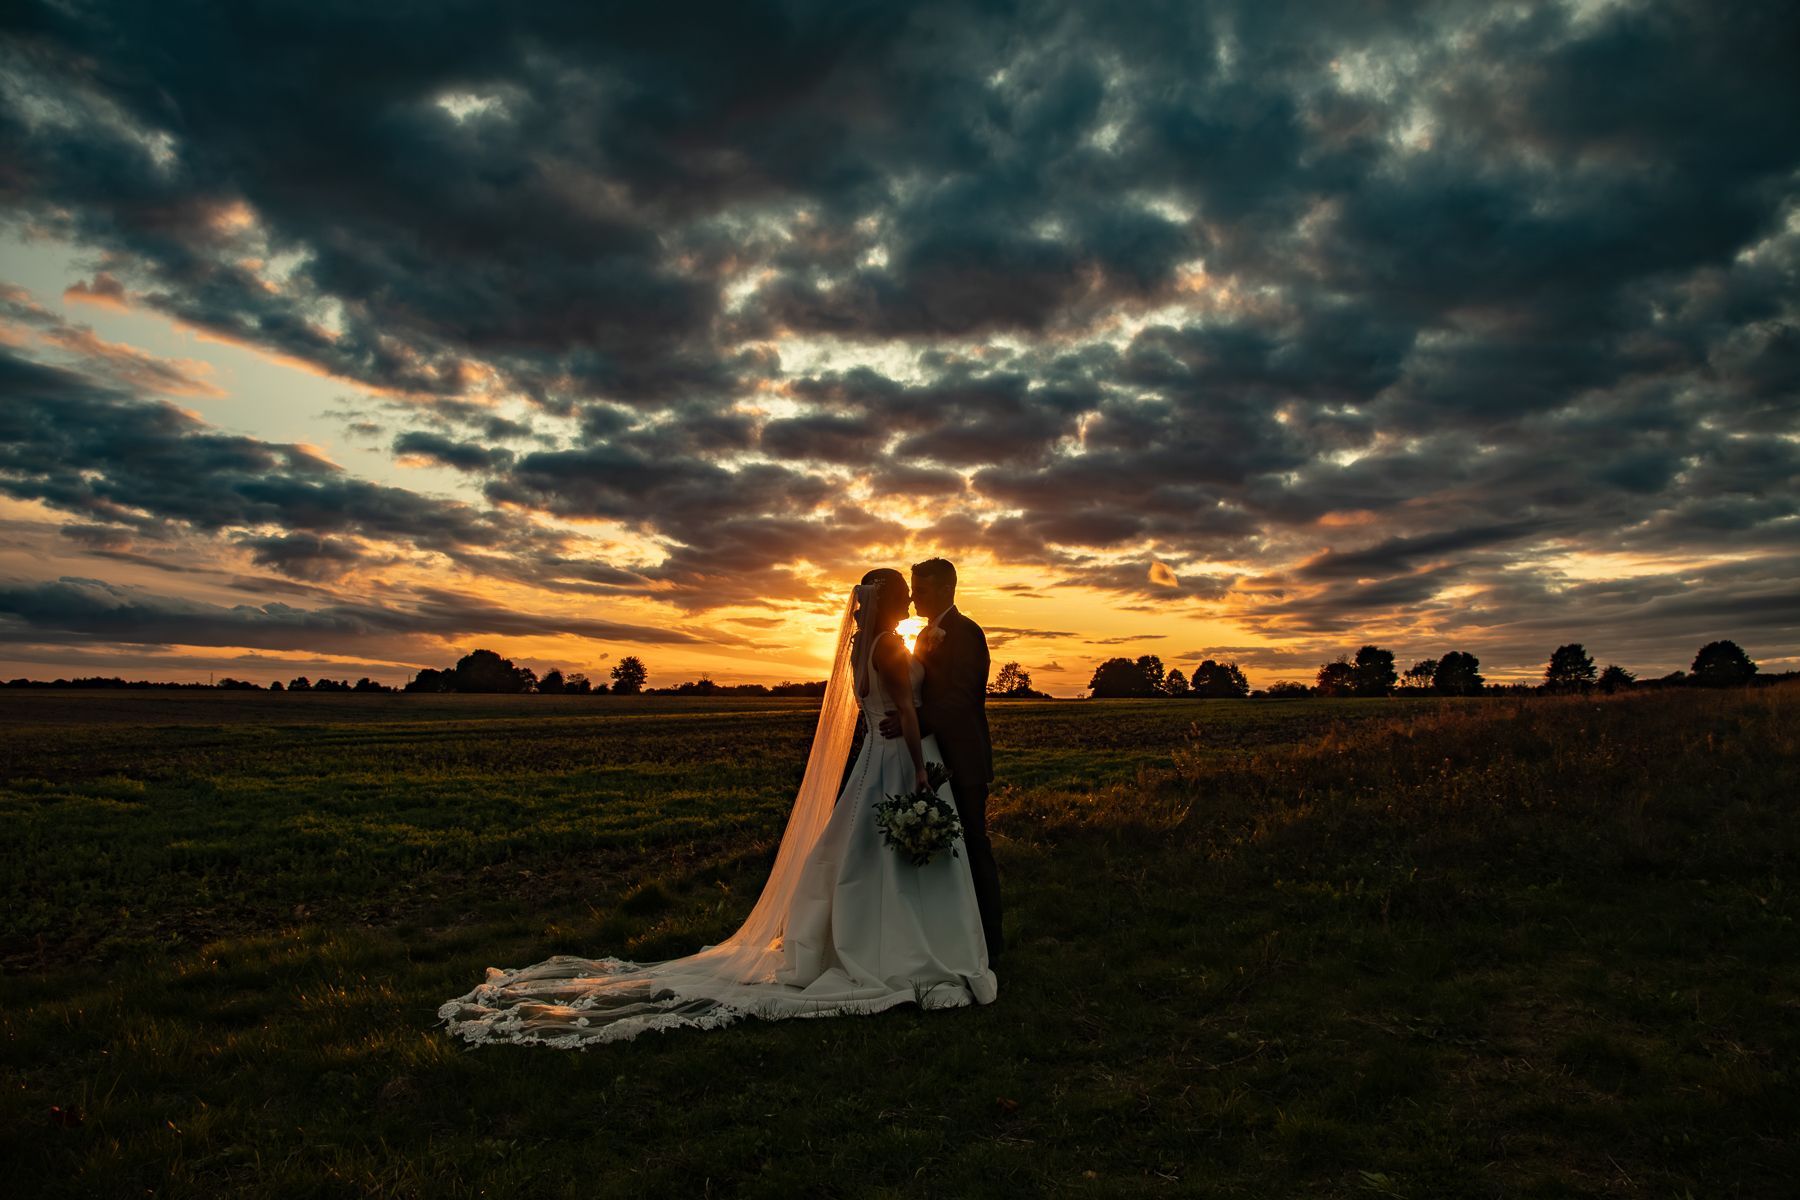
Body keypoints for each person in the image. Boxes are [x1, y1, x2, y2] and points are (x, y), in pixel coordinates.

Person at [437, 567, 996, 1048]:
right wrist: (922, 770)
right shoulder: (892, 647)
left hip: (876, 756)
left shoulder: (864, 647)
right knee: (891, 852)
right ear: (894, 600)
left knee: (863, 853)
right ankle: (910, 944)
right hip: (902, 758)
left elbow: (905, 695)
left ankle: (859, 937)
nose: (912, 600)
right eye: (907, 592)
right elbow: (907, 701)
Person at [877, 557, 1002, 967]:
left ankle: (991, 939)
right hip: (933, 758)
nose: (914, 598)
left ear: (947, 589)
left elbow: (964, 697)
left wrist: (914, 722)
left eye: (922, 590)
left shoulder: (967, 633)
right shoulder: (923, 636)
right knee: (947, 853)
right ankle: (950, 934)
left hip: (962, 756)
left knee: (974, 844)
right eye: (912, 590)